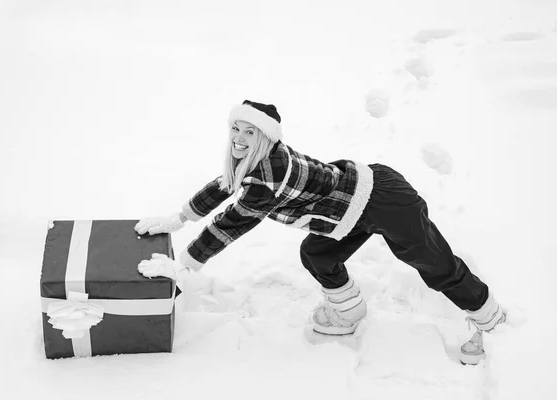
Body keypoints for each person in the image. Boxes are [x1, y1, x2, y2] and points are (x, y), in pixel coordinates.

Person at [135, 100, 506, 365]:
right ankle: (349, 312)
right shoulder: (251, 159)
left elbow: (231, 222)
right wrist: (178, 218)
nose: (239, 137)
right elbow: (224, 185)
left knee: (433, 263)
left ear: (264, 138)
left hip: (385, 200)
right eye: (235, 127)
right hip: (349, 210)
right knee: (318, 254)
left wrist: (184, 265)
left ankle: (489, 318)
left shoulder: (269, 175)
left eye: (250, 131)